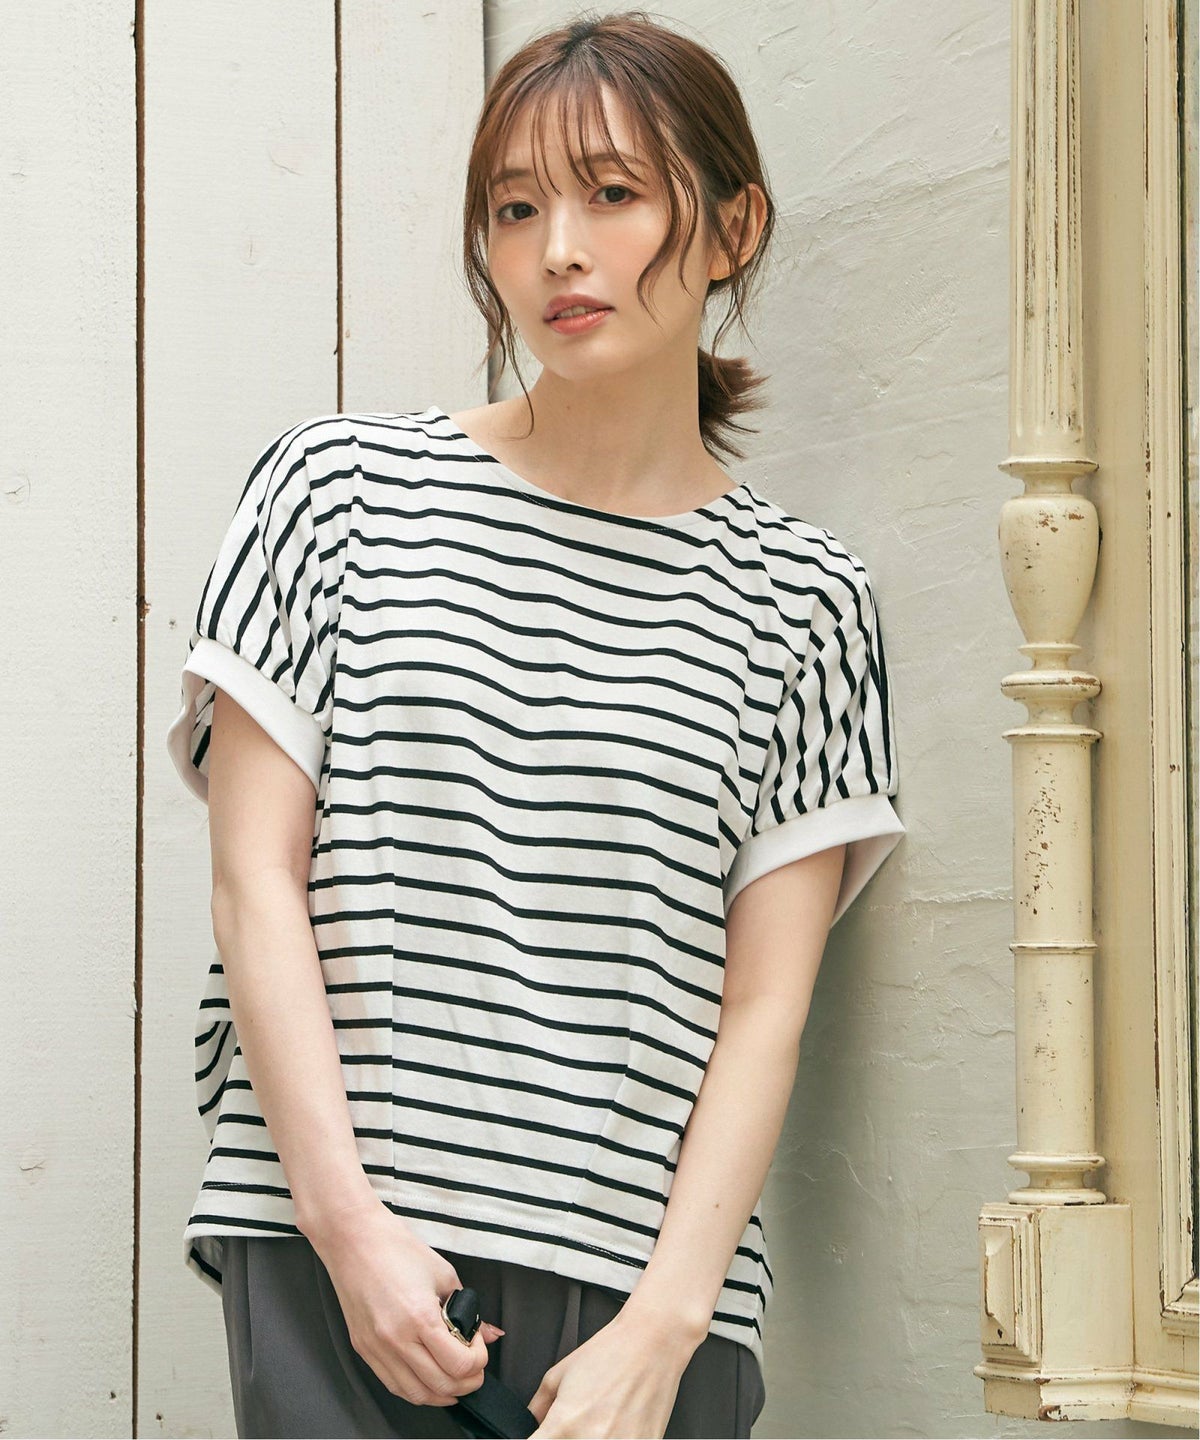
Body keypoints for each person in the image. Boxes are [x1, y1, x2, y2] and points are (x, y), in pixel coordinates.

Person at [166, 9, 905, 1438]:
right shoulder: (336, 497)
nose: (559, 248)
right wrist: (345, 1227)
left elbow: (768, 1008)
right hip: (343, 1261)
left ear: (734, 226)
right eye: (515, 209)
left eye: (613, 195)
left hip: (640, 1307)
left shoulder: (809, 602)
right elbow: (255, 880)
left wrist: (667, 1327)